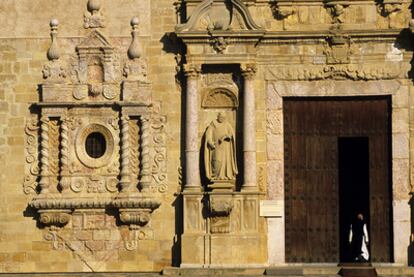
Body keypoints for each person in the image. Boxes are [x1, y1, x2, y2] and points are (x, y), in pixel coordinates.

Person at [204, 112, 238, 181]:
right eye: (221, 117)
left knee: (224, 162)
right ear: (218, 116)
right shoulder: (213, 124)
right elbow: (208, 135)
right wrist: (210, 142)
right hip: (216, 147)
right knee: (216, 161)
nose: (222, 119)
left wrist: (226, 136)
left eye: (223, 118)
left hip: (226, 149)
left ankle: (224, 176)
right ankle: (215, 176)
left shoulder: (227, 124)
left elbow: (231, 134)